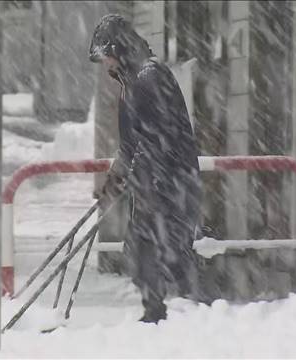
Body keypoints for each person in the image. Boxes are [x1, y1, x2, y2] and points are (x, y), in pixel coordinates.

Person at [90, 14, 207, 323]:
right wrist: (116, 177)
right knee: (142, 250)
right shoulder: (131, 82)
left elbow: (160, 135)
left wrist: (149, 177)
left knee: (164, 250)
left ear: (118, 50)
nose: (105, 65)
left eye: (106, 57)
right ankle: (156, 312)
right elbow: (130, 143)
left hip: (169, 182)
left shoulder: (149, 78)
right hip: (152, 182)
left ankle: (193, 314)